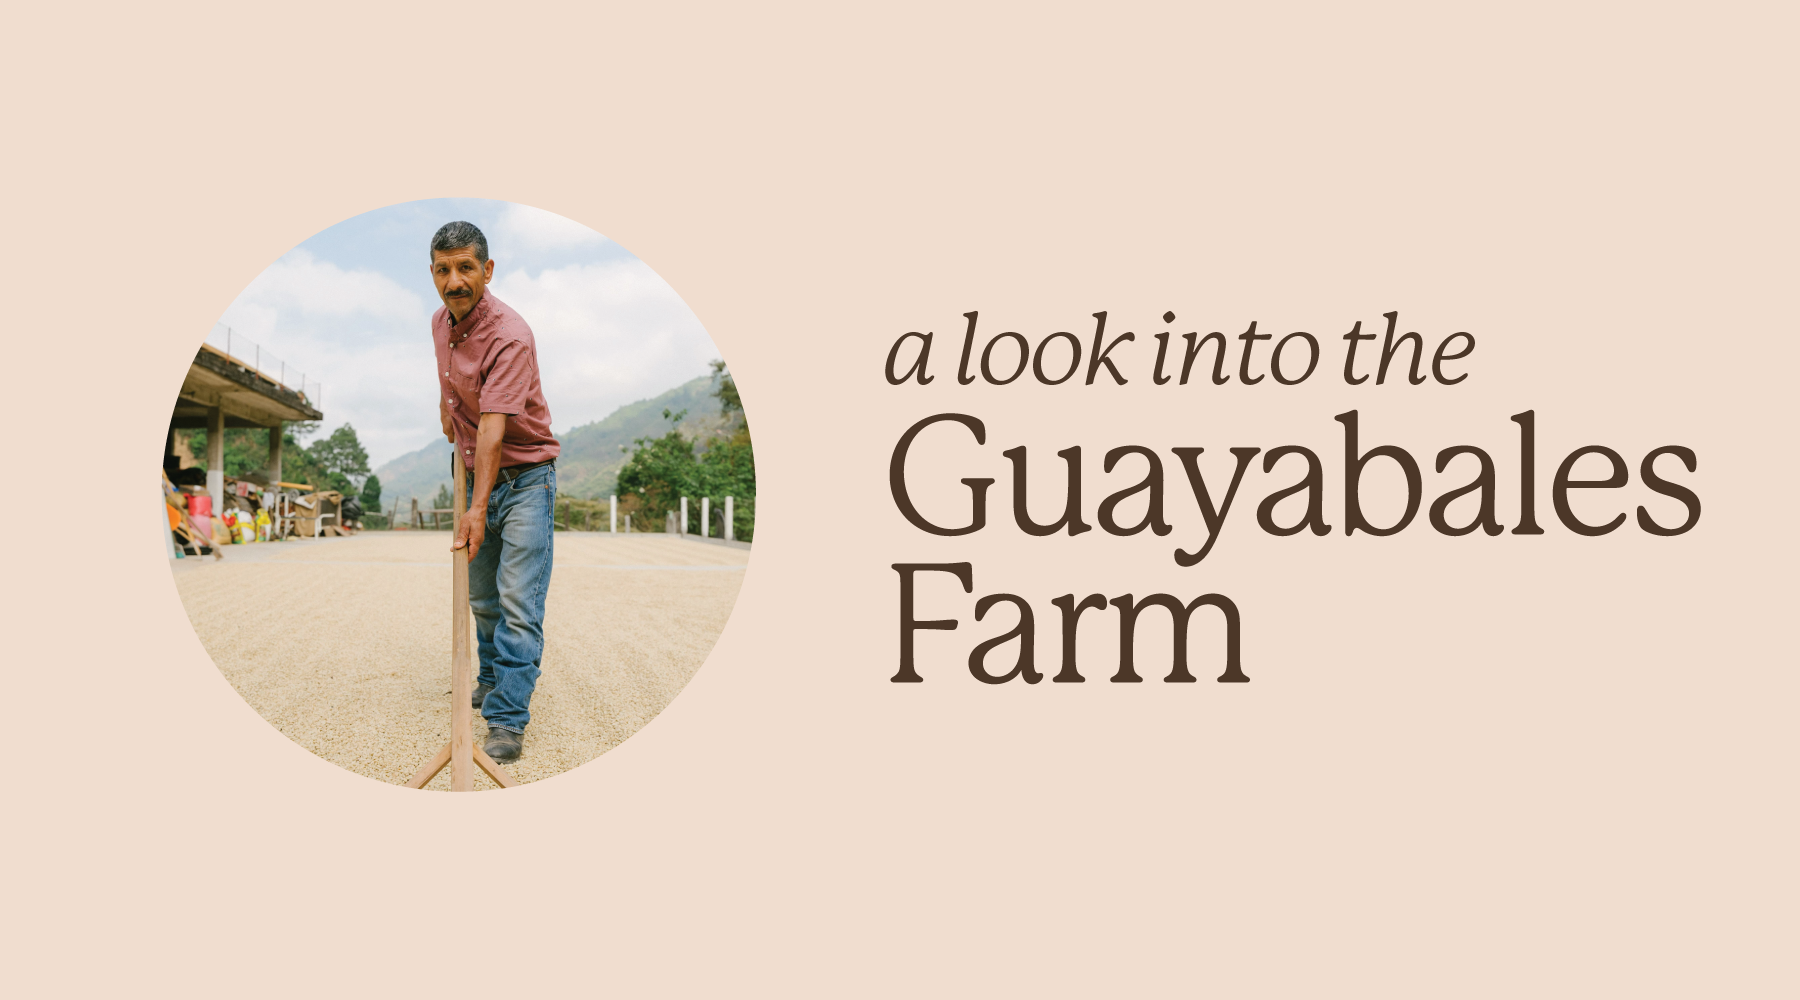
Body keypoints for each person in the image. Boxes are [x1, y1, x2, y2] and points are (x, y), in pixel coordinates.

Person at [429, 220, 560, 763]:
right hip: (471, 470)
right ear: (432, 273)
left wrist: (476, 509)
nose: (454, 281)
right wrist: (446, 409)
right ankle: (488, 679)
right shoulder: (440, 321)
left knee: (517, 604)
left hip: (525, 478)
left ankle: (507, 718)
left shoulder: (510, 334)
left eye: (465, 268)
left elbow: (492, 428)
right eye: (443, 269)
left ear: (487, 270)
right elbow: (453, 386)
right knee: (482, 597)